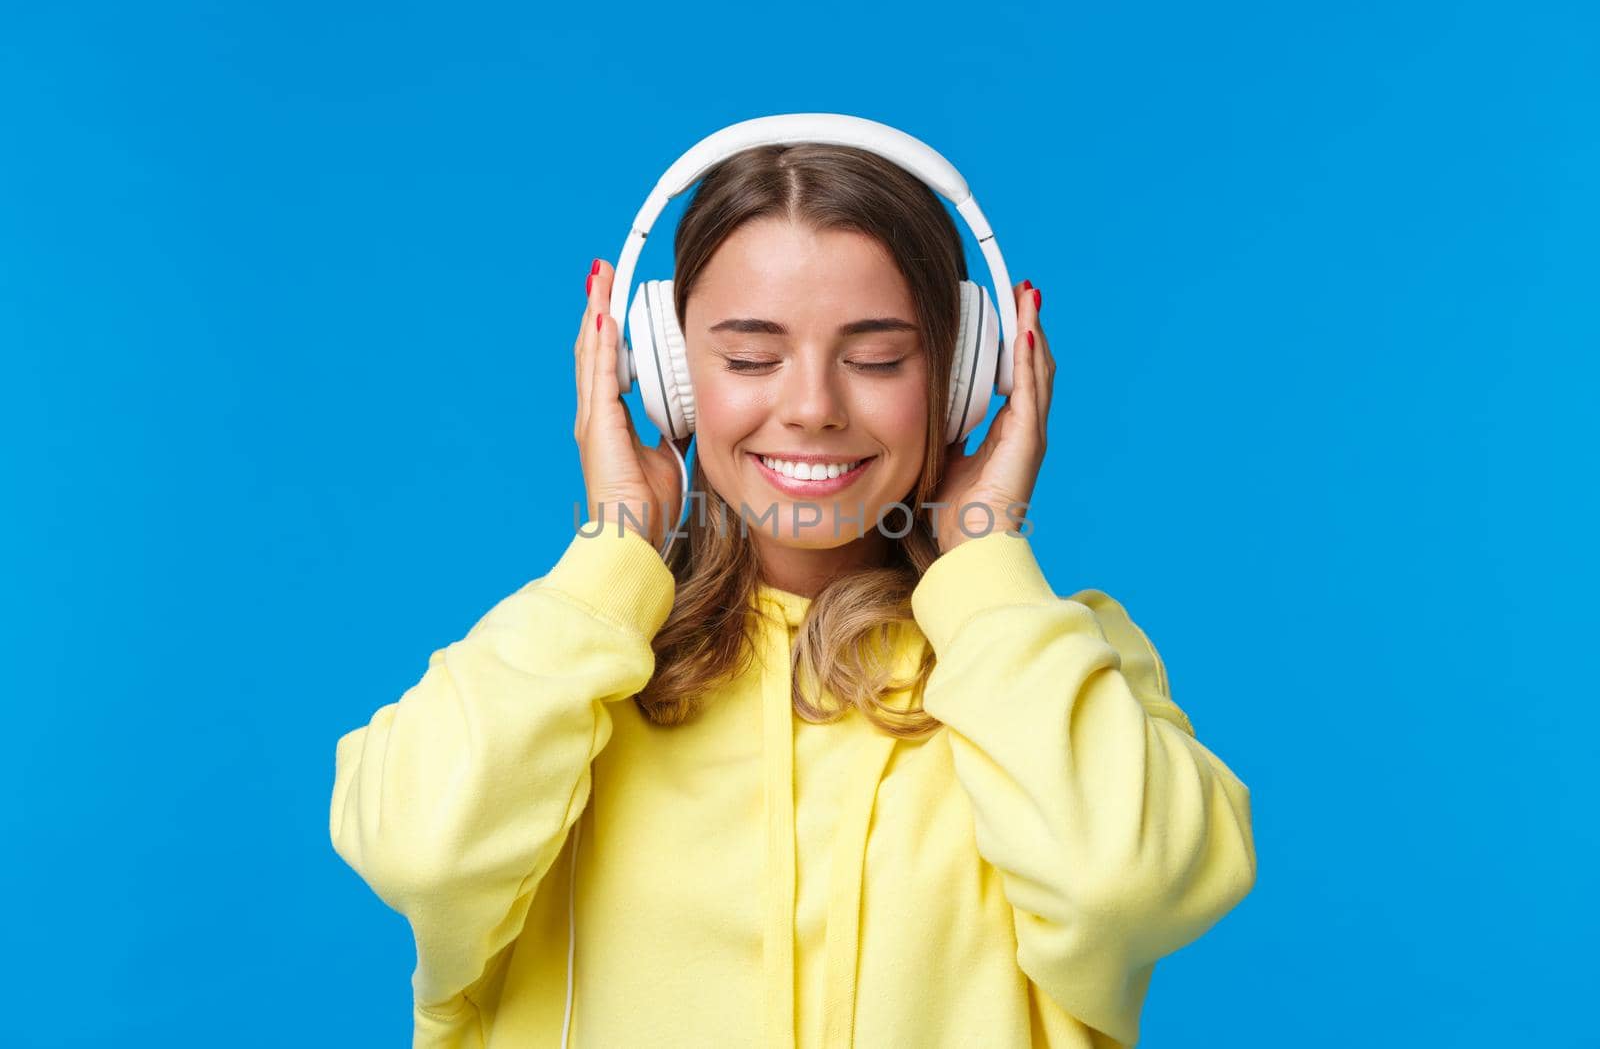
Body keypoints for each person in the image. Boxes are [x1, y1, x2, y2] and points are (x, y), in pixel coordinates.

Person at [329, 140, 1257, 1048]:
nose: (813, 405)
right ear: (661, 370)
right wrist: (615, 545)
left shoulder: (1054, 662)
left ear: (968, 376)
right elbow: (420, 852)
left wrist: (984, 561)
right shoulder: (566, 665)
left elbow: (1124, 889)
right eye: (750, 356)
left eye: (880, 358)